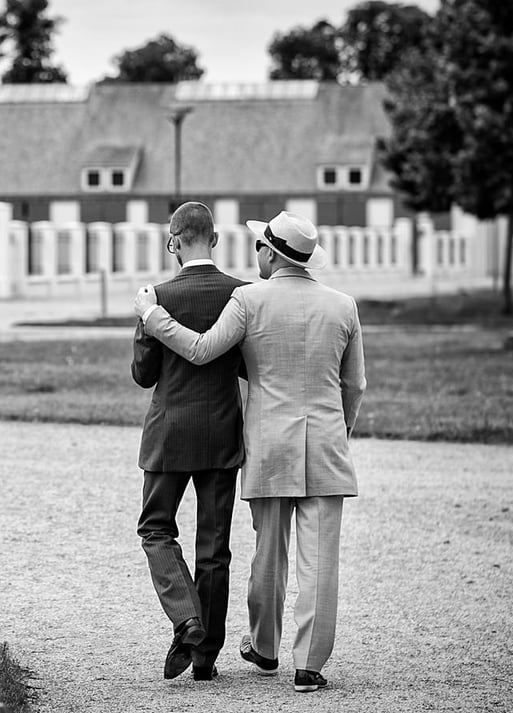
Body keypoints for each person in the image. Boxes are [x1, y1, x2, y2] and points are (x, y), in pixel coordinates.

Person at [133, 210, 366, 693]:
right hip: (322, 443)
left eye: (260, 245)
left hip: (267, 445)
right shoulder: (343, 306)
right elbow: (355, 384)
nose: (254, 252)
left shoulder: (249, 300)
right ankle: (309, 666)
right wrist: (340, 429)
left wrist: (154, 317)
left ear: (273, 253)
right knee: (319, 559)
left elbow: (200, 350)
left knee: (268, 553)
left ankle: (264, 646)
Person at [131, 201, 247, 681]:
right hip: (221, 430)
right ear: (215, 240)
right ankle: (205, 659)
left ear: (173, 241)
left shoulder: (155, 297)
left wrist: (148, 324)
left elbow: (143, 375)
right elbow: (246, 366)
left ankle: (187, 618)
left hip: (170, 432)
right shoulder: (242, 294)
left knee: (155, 528)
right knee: (215, 545)